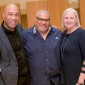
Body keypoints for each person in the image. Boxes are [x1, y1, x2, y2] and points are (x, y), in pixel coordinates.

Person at [22, 10, 62, 85]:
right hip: (36, 82)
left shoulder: (58, 33)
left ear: (49, 21)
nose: (43, 23)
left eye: (46, 20)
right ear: (35, 19)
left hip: (57, 81)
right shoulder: (25, 35)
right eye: (40, 19)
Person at [0, 4, 30, 85]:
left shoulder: (19, 28)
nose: (14, 18)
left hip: (27, 78)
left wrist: (48, 28)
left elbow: (30, 34)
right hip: (11, 81)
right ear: (3, 15)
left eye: (17, 15)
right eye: (10, 14)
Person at [61, 8, 85, 85]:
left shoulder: (81, 33)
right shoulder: (63, 34)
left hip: (78, 79)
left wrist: (81, 79)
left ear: (76, 20)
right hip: (66, 78)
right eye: (66, 18)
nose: (68, 20)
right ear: (63, 20)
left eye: (71, 18)